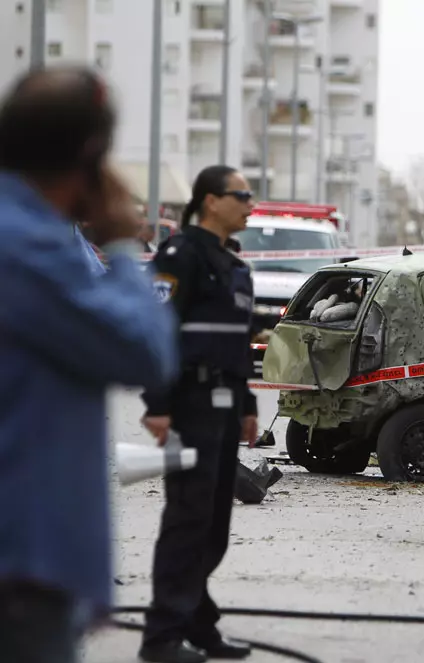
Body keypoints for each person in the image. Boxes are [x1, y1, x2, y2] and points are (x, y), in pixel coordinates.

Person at [0, 66, 178, 662]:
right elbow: (145, 352)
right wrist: (125, 244)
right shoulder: (27, 248)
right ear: (92, 154)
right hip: (21, 564)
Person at [139, 165, 259, 663]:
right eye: (243, 195)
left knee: (213, 525)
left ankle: (196, 620)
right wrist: (158, 404)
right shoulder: (181, 255)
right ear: (211, 201)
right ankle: (161, 635)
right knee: (187, 520)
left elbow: (237, 345)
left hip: (226, 408)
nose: (251, 204)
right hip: (188, 406)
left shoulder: (233, 265)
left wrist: (249, 406)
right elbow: (155, 330)